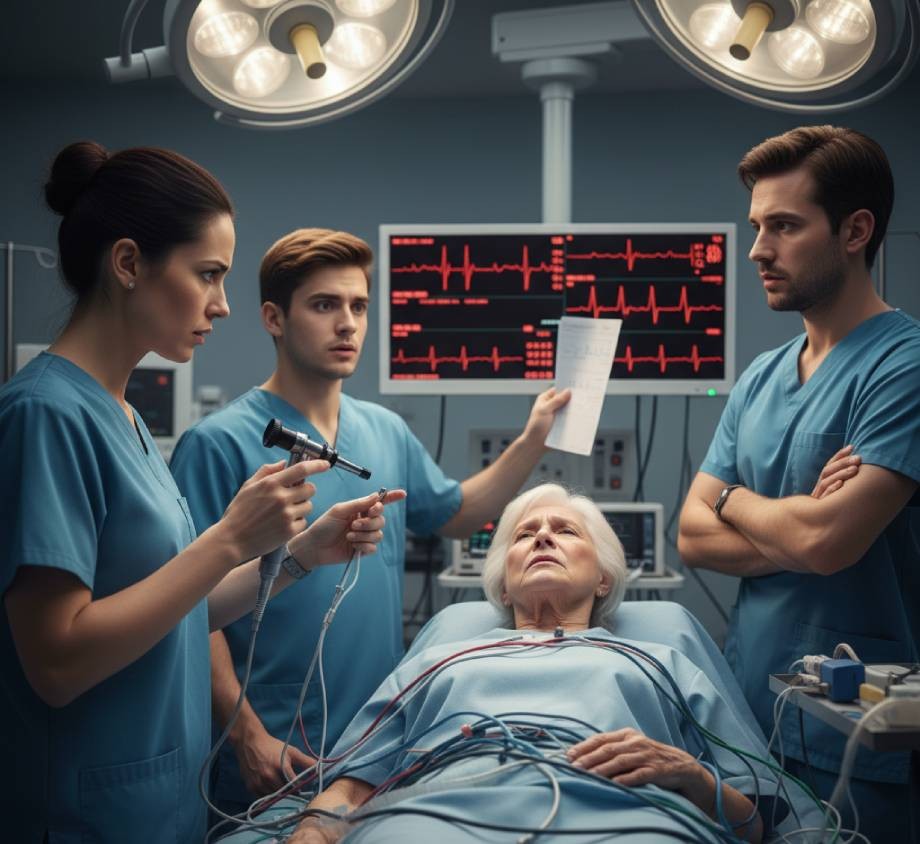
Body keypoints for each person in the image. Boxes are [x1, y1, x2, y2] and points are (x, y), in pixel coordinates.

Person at [0, 143, 401, 844]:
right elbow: (57, 662)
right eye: (208, 274)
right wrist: (226, 539)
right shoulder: (44, 416)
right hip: (88, 813)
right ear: (128, 264)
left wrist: (302, 553)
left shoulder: (122, 417)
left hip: (162, 802)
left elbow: (177, 610)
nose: (221, 304)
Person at [169, 227, 572, 815]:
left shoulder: (383, 430)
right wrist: (246, 734)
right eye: (325, 305)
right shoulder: (218, 444)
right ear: (273, 318)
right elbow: (189, 607)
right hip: (273, 741)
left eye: (358, 306)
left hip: (377, 737)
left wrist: (534, 439)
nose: (348, 324)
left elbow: (457, 514)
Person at [277, 484, 819, 844]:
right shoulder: (441, 660)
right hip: (436, 815)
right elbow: (346, 789)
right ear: (503, 582)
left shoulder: (660, 662)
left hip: (630, 817)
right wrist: (311, 832)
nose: (541, 536)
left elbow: (755, 824)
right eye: (524, 535)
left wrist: (689, 774)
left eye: (565, 531)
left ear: (603, 578)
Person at [677, 125, 920, 841]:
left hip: (859, 723)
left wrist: (734, 500)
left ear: (855, 230)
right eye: (757, 226)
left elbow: (827, 540)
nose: (757, 249)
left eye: (783, 225)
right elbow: (690, 536)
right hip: (751, 705)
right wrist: (799, 524)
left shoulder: (902, 367)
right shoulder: (759, 376)